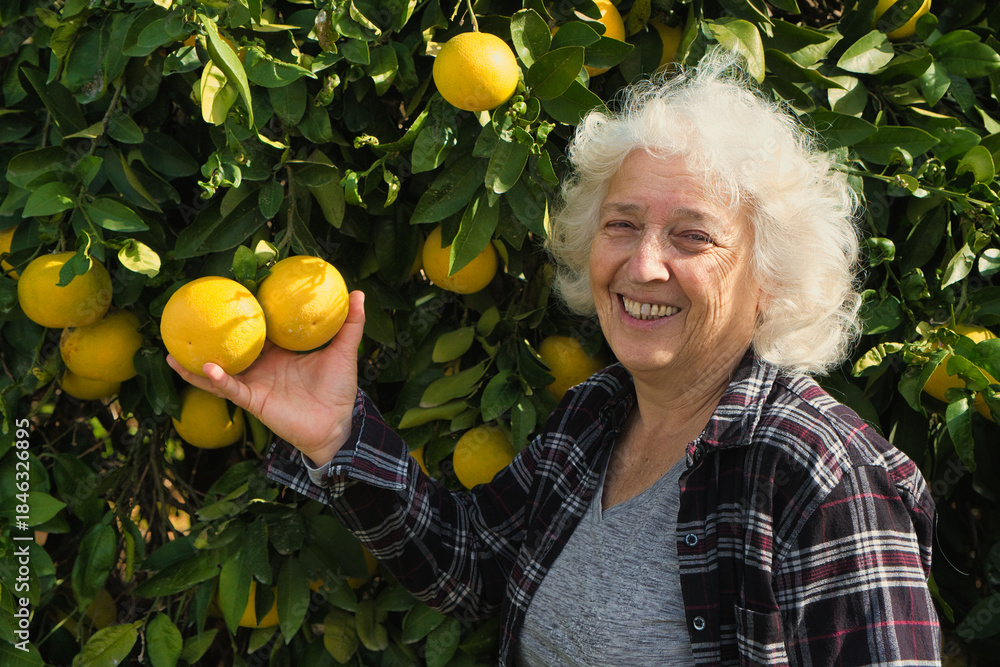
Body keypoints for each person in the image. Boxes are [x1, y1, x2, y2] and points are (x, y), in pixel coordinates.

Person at [168, 52, 941, 665]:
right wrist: (337, 434)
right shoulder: (598, 415)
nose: (643, 265)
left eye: (692, 236)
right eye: (622, 224)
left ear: (770, 280)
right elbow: (473, 566)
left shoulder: (822, 476)